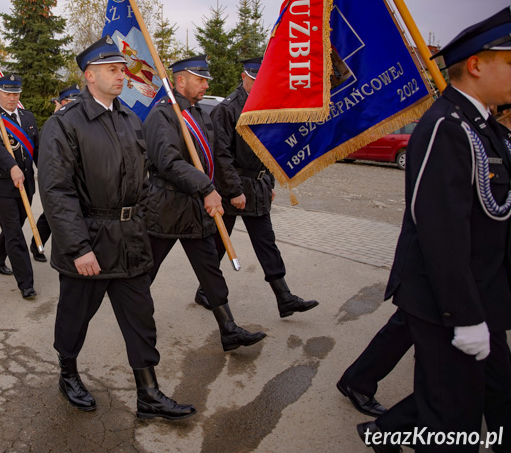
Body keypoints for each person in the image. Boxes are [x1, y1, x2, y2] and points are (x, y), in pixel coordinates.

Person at [360, 8, 511, 453]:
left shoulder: (483, 127)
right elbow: (440, 231)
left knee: (492, 396)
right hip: (446, 302)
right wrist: (465, 317)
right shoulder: (447, 127)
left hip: (482, 293)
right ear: (477, 64)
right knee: (453, 417)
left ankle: (385, 432)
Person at [38, 35, 195, 420]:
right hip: (89, 239)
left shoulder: (129, 119)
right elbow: (57, 191)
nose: (121, 75)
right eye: (112, 69)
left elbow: (143, 180)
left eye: (122, 69)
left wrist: (141, 222)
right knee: (75, 315)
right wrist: (78, 248)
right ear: (89, 76)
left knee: (140, 317)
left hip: (130, 239)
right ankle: (68, 373)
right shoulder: (65, 124)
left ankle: (149, 394)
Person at [143, 55, 267, 352]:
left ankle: (228, 329)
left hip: (196, 208)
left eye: (205, 79)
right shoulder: (163, 115)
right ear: (180, 80)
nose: (206, 84)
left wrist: (222, 191)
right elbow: (169, 162)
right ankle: (137, 322)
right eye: (200, 79)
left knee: (210, 268)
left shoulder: (199, 114)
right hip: (167, 208)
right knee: (146, 270)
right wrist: (206, 188)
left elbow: (215, 159)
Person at [206, 58, 319, 318]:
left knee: (266, 242)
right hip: (232, 188)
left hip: (257, 188)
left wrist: (269, 181)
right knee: (219, 243)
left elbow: (270, 148)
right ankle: (206, 290)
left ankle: (284, 297)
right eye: (254, 79)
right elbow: (221, 155)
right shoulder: (227, 109)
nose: (258, 85)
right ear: (244, 76)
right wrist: (234, 191)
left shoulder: (264, 106)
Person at [0, 74, 39, 299]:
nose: (12, 98)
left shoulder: (28, 116)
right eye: (8, 93)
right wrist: (12, 166)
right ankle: (26, 283)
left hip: (27, 183)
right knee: (15, 233)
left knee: (15, 224)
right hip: (4, 184)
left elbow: (38, 149)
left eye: (16, 94)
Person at [29, 85, 80, 263]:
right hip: (60, 177)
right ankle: (37, 244)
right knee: (53, 214)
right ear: (63, 103)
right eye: (70, 103)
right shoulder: (54, 122)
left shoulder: (81, 121)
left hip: (79, 177)